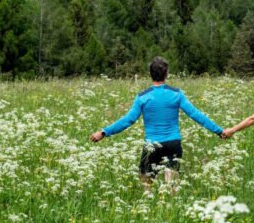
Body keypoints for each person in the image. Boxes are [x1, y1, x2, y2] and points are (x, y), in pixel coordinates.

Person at [90, 57, 224, 189]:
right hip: (173, 143)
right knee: (172, 188)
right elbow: (196, 114)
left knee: (147, 188)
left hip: (152, 146)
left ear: (150, 74)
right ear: (166, 74)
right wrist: (219, 131)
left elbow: (127, 120)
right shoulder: (177, 94)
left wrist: (104, 132)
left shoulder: (142, 97)